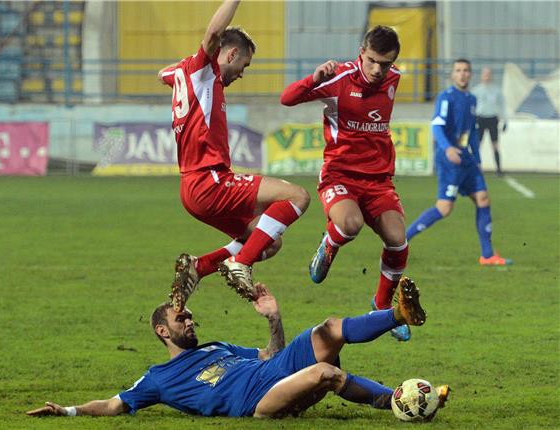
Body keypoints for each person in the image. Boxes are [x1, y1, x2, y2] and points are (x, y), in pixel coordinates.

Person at [27, 278, 449, 419]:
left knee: (329, 328)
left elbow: (269, 355)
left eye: (190, 317)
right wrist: (68, 411)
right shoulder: (158, 379)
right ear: (161, 331)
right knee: (327, 373)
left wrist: (273, 318)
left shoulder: (216, 347)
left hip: (274, 371)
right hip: (259, 402)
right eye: (181, 320)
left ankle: (399, 315)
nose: (190, 321)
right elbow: (115, 404)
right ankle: (394, 402)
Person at [158, 0, 310, 311]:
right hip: (209, 180)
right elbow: (214, 32)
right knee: (297, 196)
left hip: (192, 189)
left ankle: (200, 267)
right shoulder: (204, 72)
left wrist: (178, 72)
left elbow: (164, 73)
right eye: (245, 65)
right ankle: (240, 263)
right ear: (231, 54)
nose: (242, 73)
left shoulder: (184, 73)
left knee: (270, 240)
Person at [280, 26, 413, 341]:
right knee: (350, 224)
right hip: (340, 175)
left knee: (398, 241)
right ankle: (330, 243)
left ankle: (380, 307)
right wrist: (314, 79)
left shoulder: (394, 78)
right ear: (361, 51)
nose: (378, 70)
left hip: (379, 181)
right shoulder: (337, 78)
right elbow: (287, 99)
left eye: (386, 63)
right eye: (372, 61)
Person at [406, 59, 512, 266]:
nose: (462, 74)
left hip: (466, 158)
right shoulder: (446, 98)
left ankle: (488, 255)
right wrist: (448, 148)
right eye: (458, 70)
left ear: (470, 74)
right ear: (453, 75)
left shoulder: (472, 99)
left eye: (466, 71)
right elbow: (436, 127)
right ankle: (401, 241)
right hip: (449, 160)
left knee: (483, 198)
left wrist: (478, 159)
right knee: (445, 208)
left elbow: (471, 131)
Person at [472, 67, 507, 176]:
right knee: (477, 144)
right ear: (482, 75)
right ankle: (475, 168)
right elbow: (472, 107)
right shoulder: (476, 90)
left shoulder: (496, 90)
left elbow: (502, 106)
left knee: (495, 144)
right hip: (480, 118)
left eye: (488, 74)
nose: (487, 76)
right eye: (485, 74)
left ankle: (499, 169)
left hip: (492, 118)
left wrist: (505, 120)